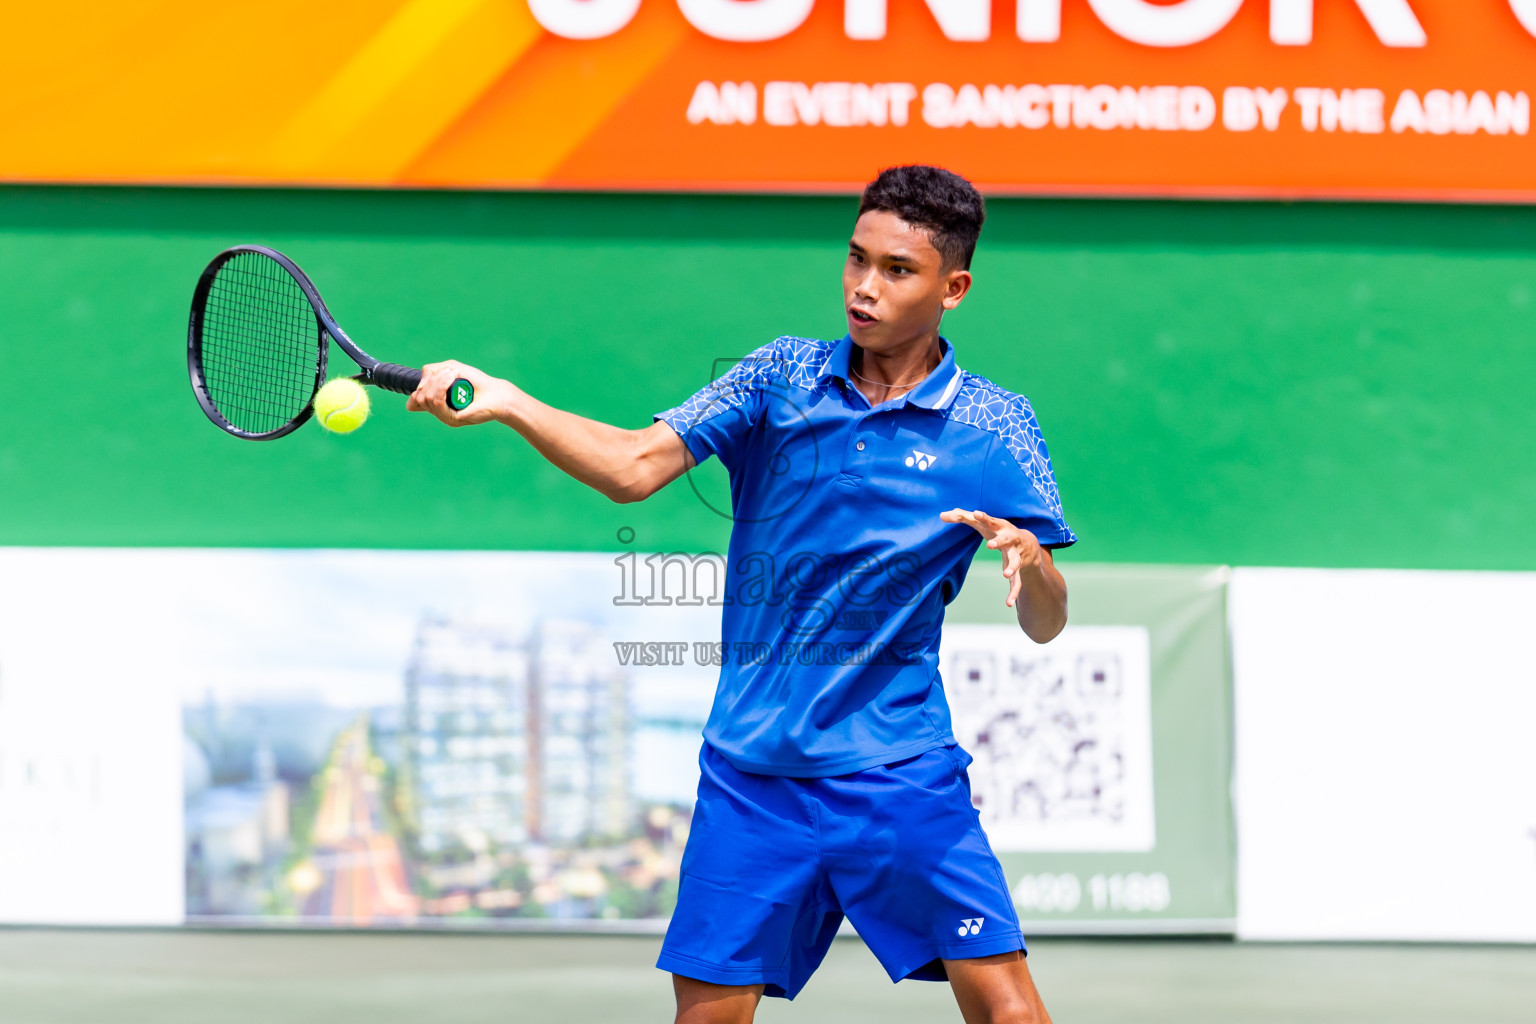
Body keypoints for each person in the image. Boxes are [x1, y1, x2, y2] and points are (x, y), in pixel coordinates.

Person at [408, 164, 1075, 1024]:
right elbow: (632, 467)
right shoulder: (777, 376)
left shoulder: (996, 426)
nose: (865, 288)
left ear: (954, 288)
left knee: (1010, 1012)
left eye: (897, 271)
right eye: (856, 259)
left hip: (899, 774)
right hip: (752, 778)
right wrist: (506, 401)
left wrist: (1034, 563)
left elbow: (1048, 623)